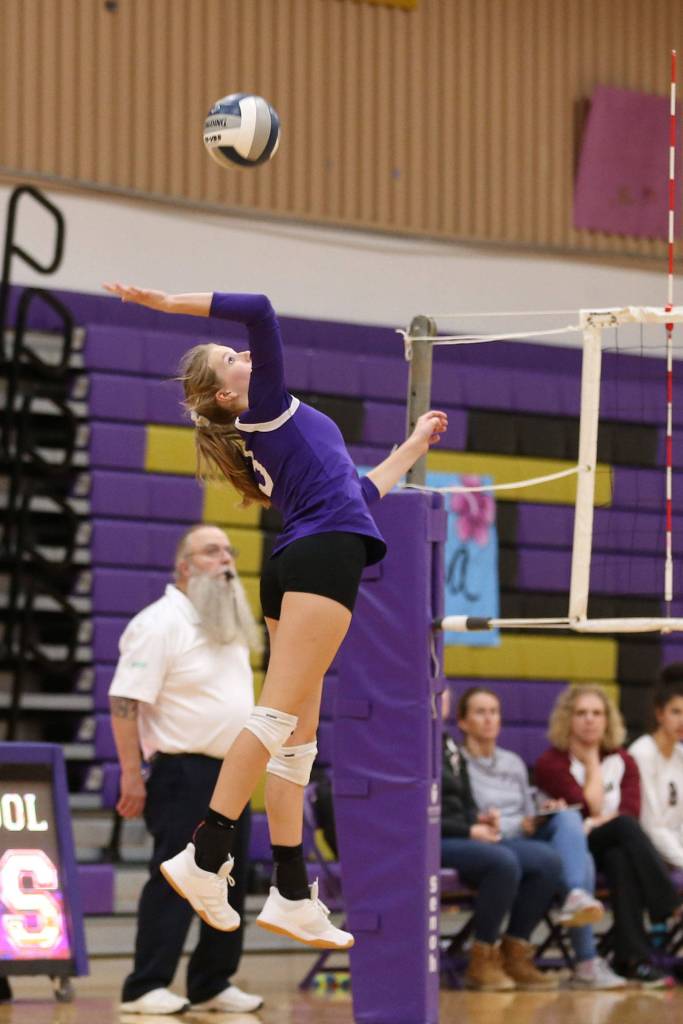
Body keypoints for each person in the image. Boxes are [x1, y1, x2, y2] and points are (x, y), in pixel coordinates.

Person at [103, 282, 448, 949]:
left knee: (297, 735)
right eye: (228, 357)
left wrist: (411, 444)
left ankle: (291, 892)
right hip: (321, 562)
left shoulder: (274, 432)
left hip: (301, 561)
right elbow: (258, 307)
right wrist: (162, 303)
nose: (242, 352)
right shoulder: (265, 406)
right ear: (229, 395)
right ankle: (205, 856)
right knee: (276, 717)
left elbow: (358, 491)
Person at [109, 523, 264, 1015]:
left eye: (228, 551)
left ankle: (212, 982)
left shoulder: (229, 624)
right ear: (185, 566)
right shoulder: (159, 623)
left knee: (230, 878)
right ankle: (144, 985)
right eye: (211, 551)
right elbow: (124, 701)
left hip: (233, 773)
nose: (226, 560)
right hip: (182, 773)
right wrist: (132, 775)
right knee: (176, 878)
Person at [444, 686, 624, 991]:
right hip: (488, 837)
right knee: (567, 860)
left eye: (494, 712)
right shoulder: (458, 762)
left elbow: (528, 811)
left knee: (565, 818)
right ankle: (579, 953)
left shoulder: (513, 762)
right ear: (462, 722)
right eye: (480, 712)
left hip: (520, 833)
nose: (489, 719)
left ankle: (522, 947)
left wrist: (543, 813)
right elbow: (468, 812)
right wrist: (511, 824)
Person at [535, 684, 680, 988]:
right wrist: (590, 762)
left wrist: (599, 819)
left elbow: (629, 810)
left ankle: (631, 960)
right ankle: (669, 904)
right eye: (581, 713)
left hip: (609, 845)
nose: (590, 720)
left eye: (597, 713)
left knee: (621, 857)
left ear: (608, 719)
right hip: (569, 849)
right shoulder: (552, 762)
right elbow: (585, 808)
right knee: (625, 831)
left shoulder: (623, 760)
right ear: (567, 719)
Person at [629, 674, 683, 871]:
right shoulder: (642, 753)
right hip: (647, 852)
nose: (682, 720)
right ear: (660, 714)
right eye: (675, 712)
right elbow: (650, 825)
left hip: (674, 851)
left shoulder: (680, 755)